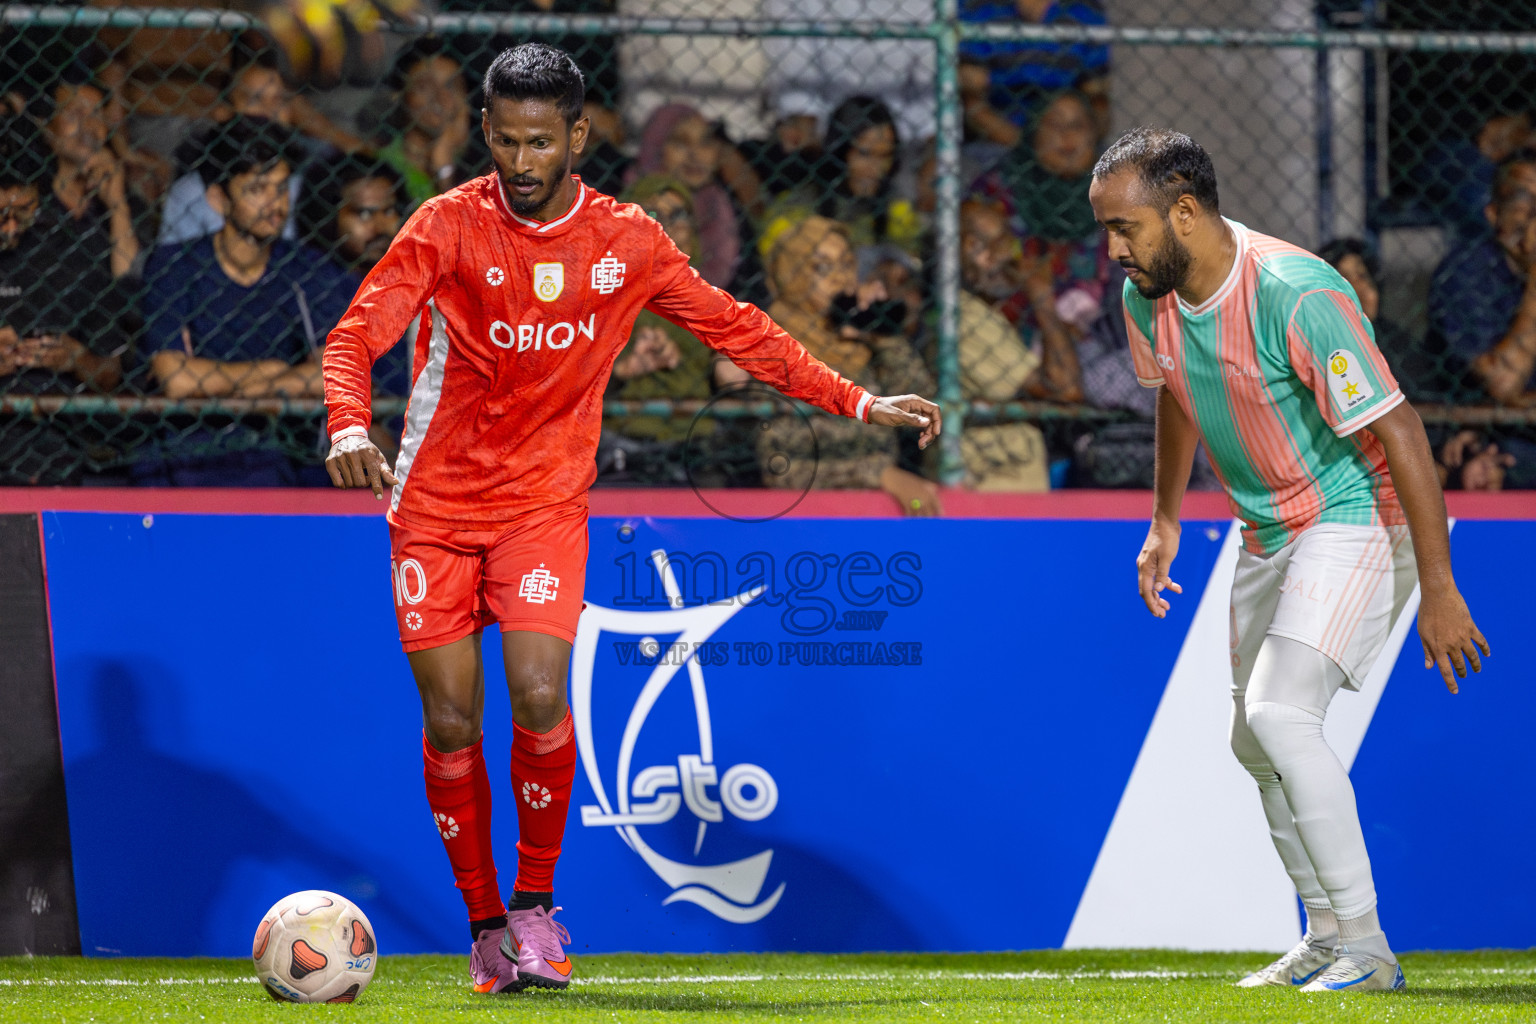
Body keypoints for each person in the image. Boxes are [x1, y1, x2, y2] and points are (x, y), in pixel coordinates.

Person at [319, 43, 939, 994]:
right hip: (434, 508)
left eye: (540, 142)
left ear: (578, 136)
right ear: (484, 131)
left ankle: (534, 909)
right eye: (505, 141)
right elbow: (356, 333)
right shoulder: (447, 225)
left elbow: (737, 327)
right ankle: (483, 927)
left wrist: (857, 400)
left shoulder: (627, 241)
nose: (521, 162)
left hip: (542, 506)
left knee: (538, 695)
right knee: (450, 720)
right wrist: (348, 423)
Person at [1090, 127, 1488, 993]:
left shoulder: (1295, 292)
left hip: (1357, 514)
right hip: (1266, 532)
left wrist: (1440, 588)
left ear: (1184, 213)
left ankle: (1369, 949)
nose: (1113, 249)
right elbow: (1175, 394)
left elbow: (1400, 428)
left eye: (1125, 228)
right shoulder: (1147, 296)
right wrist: (1164, 518)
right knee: (1254, 739)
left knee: (1280, 713)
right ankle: (1326, 934)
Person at [138, 118, 354, 485]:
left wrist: (235, 390)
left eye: (281, 187)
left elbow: (335, 373)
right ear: (218, 199)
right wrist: (275, 370)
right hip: (185, 451)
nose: (275, 203)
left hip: (274, 454)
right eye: (257, 189)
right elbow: (176, 379)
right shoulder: (174, 266)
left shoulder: (307, 268)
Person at [758, 215, 940, 512]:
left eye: (846, 265)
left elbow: (925, 406)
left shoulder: (859, 342)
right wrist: (879, 475)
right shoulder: (770, 348)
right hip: (800, 517)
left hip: (879, 510)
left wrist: (880, 333)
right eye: (822, 268)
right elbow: (781, 468)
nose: (840, 279)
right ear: (790, 275)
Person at [0, 116, 125, 484]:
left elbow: (111, 373)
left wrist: (76, 359)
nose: (10, 228)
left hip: (53, 451)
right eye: (0, 215)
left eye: (24, 212)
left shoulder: (71, 253)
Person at [629, 103, 743, 288]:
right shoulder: (629, 200)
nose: (695, 155)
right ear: (656, 146)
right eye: (681, 143)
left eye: (705, 143)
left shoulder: (718, 204)